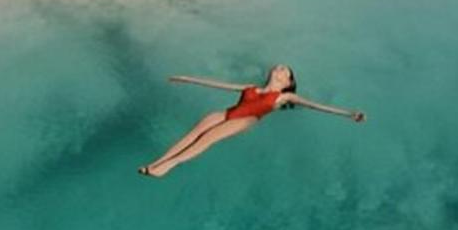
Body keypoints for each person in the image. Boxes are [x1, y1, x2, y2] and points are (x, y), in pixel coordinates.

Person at [139, 64, 365, 178]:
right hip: (229, 112)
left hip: (247, 119)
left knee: (206, 139)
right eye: (278, 67)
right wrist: (186, 78)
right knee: (192, 134)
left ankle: (168, 166)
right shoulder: (252, 87)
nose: (279, 68)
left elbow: (314, 105)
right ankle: (156, 163)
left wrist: (348, 113)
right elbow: (217, 84)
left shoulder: (285, 96)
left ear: (288, 81)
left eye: (284, 70)